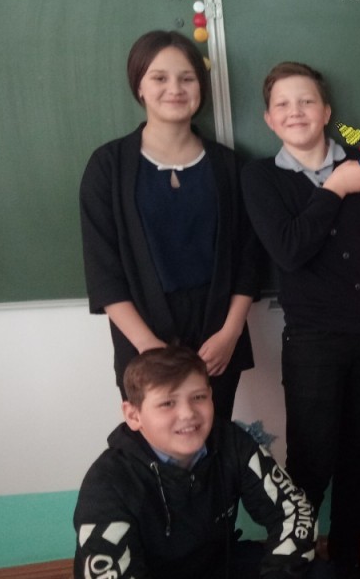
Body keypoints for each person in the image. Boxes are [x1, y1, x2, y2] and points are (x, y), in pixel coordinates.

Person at [241, 61, 360, 579]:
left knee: (359, 452)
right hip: (313, 340)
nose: (295, 112)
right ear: (269, 119)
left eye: (306, 101)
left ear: (326, 111)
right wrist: (335, 188)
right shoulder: (261, 178)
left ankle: (347, 557)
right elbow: (289, 249)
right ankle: (294, 568)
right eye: (283, 104)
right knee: (311, 457)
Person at [69, 345, 337, 579]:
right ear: (133, 415)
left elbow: (293, 512)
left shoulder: (231, 441)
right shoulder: (108, 483)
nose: (188, 414)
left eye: (198, 397)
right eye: (167, 403)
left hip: (210, 569)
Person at [80, 30, 259, 420]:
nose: (175, 89)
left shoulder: (229, 166)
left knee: (213, 439)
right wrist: (147, 346)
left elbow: (248, 259)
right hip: (142, 336)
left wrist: (230, 333)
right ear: (139, 86)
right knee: (156, 445)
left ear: (200, 88)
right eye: (159, 78)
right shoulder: (108, 167)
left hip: (216, 336)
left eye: (187, 78)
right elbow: (104, 270)